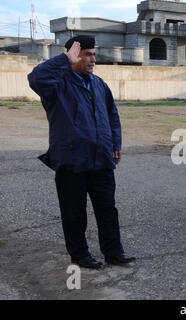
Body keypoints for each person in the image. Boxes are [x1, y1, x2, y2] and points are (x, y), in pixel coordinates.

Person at [28, 35, 135, 269]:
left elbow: (112, 116)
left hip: (101, 158)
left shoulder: (99, 84)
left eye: (93, 54)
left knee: (107, 209)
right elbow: (36, 78)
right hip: (71, 159)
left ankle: (113, 252)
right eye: (87, 54)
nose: (92, 59)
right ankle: (79, 255)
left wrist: (115, 144)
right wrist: (63, 60)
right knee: (74, 212)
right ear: (73, 56)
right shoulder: (57, 84)